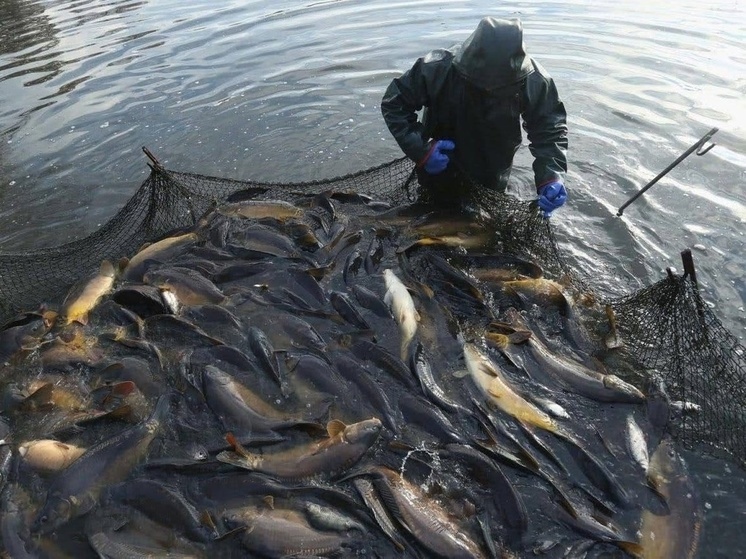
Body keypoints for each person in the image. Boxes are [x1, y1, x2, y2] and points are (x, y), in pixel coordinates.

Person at [381, 16, 568, 217]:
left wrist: (551, 176)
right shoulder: (437, 69)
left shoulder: (535, 81)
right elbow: (394, 103)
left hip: (492, 169)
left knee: (483, 224)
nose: (489, 90)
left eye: (498, 88)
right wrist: (421, 149)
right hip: (439, 162)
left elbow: (549, 130)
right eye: (482, 86)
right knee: (430, 211)